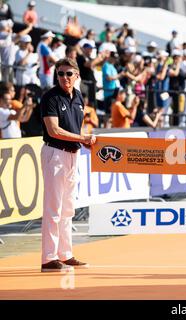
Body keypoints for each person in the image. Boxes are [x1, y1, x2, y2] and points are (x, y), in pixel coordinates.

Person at [40, 58, 96, 272]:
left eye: (68, 73)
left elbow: (75, 128)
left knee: (68, 208)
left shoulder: (79, 96)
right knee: (53, 208)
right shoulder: (50, 97)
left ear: (77, 75)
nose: (64, 77)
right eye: (60, 73)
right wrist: (81, 138)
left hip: (72, 155)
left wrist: (82, 142)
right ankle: (48, 258)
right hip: (55, 153)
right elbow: (54, 130)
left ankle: (65, 253)